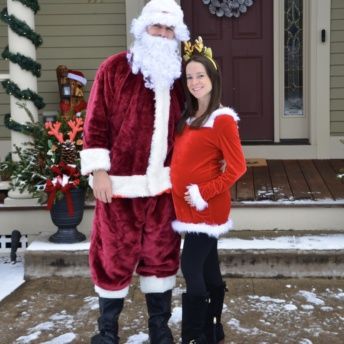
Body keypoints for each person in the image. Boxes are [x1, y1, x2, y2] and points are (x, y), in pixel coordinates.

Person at [80, 1, 189, 343]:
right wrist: (98, 170)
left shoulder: (180, 77)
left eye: (169, 29)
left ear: (177, 35)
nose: (162, 34)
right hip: (119, 187)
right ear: (143, 29)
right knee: (113, 257)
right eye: (157, 27)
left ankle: (159, 327)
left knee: (162, 257)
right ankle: (107, 329)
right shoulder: (113, 69)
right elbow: (94, 123)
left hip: (163, 189)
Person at [170, 37, 247, 343]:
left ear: (213, 78)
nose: (194, 82)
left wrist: (204, 192)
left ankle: (195, 335)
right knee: (209, 270)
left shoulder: (222, 119)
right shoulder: (187, 119)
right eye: (189, 76)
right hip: (186, 209)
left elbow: (238, 166)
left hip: (206, 208)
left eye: (200, 75)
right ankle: (214, 329)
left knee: (190, 267)